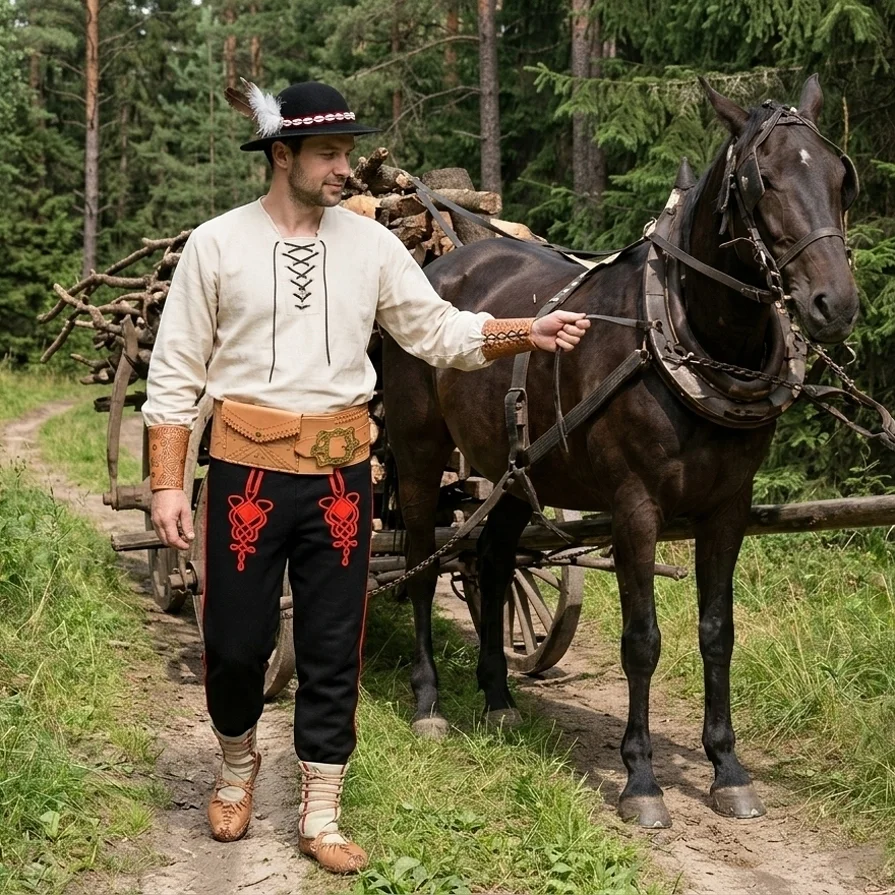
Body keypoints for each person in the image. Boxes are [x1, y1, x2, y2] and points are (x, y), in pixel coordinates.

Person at [143, 79, 590, 875]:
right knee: (237, 645)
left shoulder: (373, 247)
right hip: (245, 471)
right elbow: (175, 371)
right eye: (328, 153)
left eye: (348, 152)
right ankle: (237, 766)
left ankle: (320, 809)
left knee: (330, 647)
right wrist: (169, 483)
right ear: (282, 157)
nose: (344, 167)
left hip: (342, 478)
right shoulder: (216, 244)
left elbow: (440, 331)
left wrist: (528, 329)